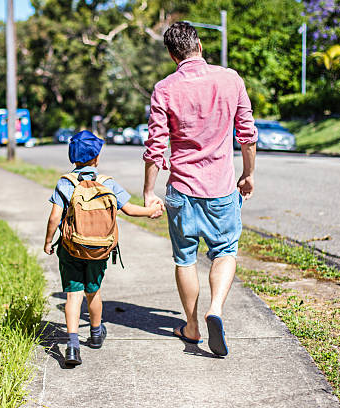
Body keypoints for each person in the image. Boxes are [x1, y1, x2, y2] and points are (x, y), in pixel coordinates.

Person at [142, 22, 258, 357]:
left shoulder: (164, 89)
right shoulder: (230, 79)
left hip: (182, 190)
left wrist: (149, 192)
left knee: (185, 258)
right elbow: (247, 136)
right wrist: (248, 174)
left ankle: (191, 326)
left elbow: (155, 148)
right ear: (200, 46)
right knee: (224, 252)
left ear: (171, 54)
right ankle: (216, 310)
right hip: (221, 189)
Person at [44, 130, 162, 366]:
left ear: (72, 157)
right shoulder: (107, 183)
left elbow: (54, 217)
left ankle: (72, 346)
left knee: (73, 295)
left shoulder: (66, 183)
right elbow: (129, 209)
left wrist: (48, 241)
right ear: (97, 157)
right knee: (93, 292)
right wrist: (151, 211)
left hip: (70, 248)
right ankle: (96, 334)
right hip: (99, 249)